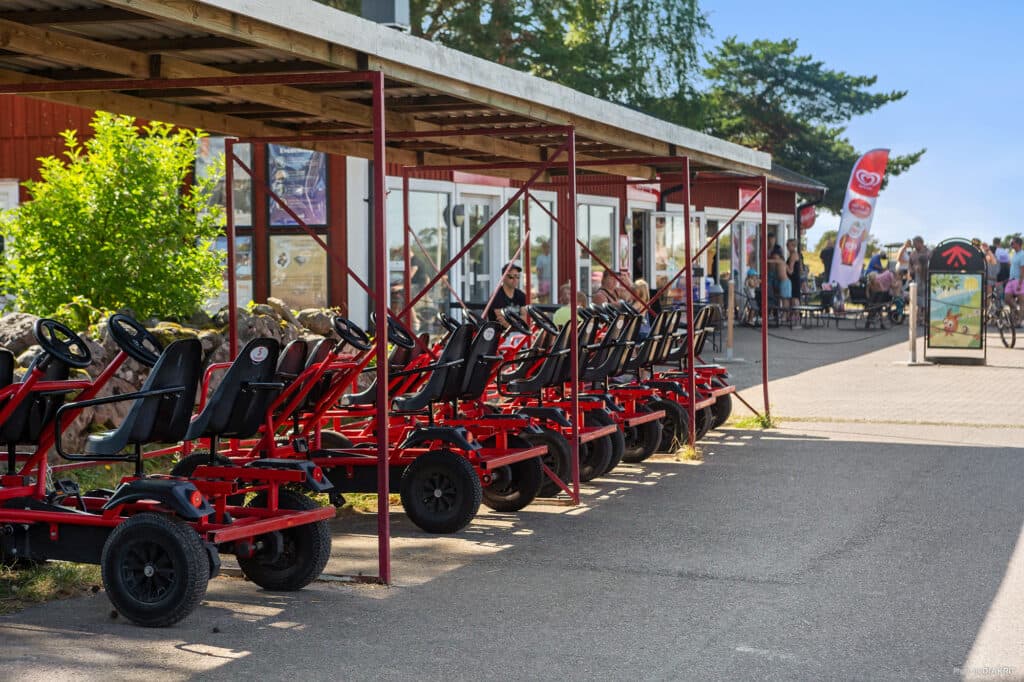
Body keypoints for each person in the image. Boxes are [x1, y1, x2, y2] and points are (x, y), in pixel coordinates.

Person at [485, 261, 527, 327]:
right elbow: (502, 321)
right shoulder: (496, 296)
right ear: (503, 277)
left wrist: (513, 321)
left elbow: (525, 318)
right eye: (511, 277)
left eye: (517, 276)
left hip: (519, 330)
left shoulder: (521, 295)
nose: (515, 279)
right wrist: (519, 321)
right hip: (500, 331)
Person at [1005, 237, 1024, 320]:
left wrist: (1020, 283)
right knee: (1007, 299)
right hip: (1011, 280)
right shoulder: (1014, 254)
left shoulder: (1022, 254)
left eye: (1012, 243)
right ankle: (1017, 311)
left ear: (1018, 244)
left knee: (1021, 302)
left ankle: (1019, 321)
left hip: (1019, 280)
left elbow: (1023, 270)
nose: (1011, 244)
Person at [786, 238, 802, 317]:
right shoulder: (796, 254)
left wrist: (783, 264)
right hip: (795, 278)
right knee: (794, 297)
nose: (787, 247)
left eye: (788, 245)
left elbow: (790, 271)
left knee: (794, 297)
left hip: (793, 279)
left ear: (793, 246)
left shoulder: (793, 255)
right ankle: (795, 315)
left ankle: (796, 315)